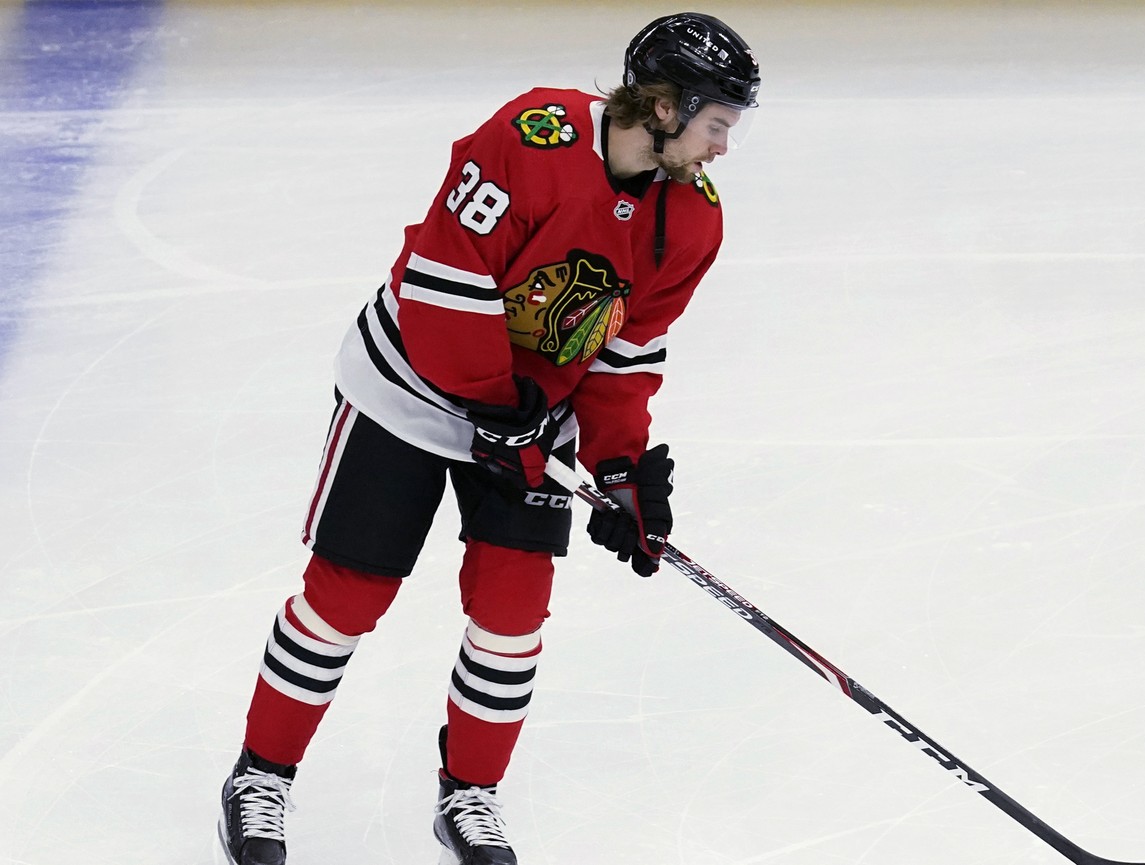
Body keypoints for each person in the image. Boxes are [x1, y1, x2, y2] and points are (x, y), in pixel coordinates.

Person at [216, 13, 760, 865]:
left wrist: (621, 471)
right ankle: (261, 775)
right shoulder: (529, 136)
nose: (726, 145)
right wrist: (494, 406)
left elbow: (625, 351)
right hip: (409, 392)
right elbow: (443, 280)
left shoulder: (692, 221)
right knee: (346, 596)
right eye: (718, 123)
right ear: (663, 105)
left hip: (529, 418)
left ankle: (469, 796)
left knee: (511, 618)